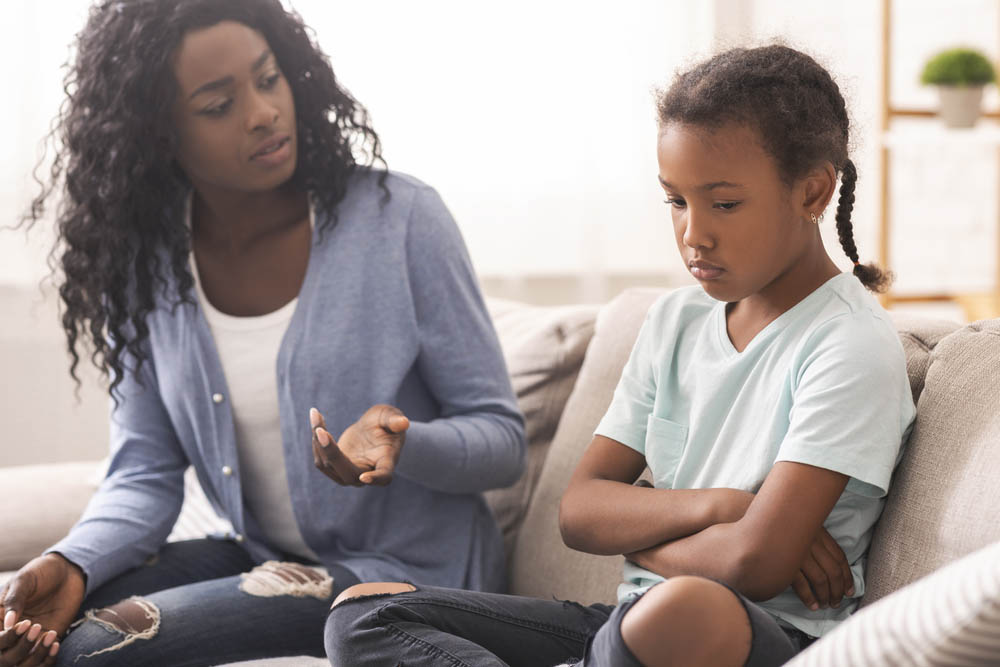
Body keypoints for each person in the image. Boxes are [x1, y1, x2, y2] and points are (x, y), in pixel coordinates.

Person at [323, 44, 917, 667]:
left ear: (813, 192)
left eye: (724, 203)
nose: (694, 234)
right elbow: (580, 513)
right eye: (676, 201)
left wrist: (642, 545)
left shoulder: (848, 344)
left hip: (752, 635)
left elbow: (755, 563)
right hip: (624, 625)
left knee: (687, 607)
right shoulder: (674, 321)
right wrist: (729, 507)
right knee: (362, 612)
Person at [0, 0, 526, 665]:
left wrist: (404, 441)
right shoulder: (146, 265)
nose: (263, 112)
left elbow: (504, 442)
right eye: (219, 106)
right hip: (265, 558)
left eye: (269, 78)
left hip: (398, 577)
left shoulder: (401, 221)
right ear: (156, 133)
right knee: (44, 629)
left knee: (98, 647)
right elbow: (145, 471)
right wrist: (72, 561)